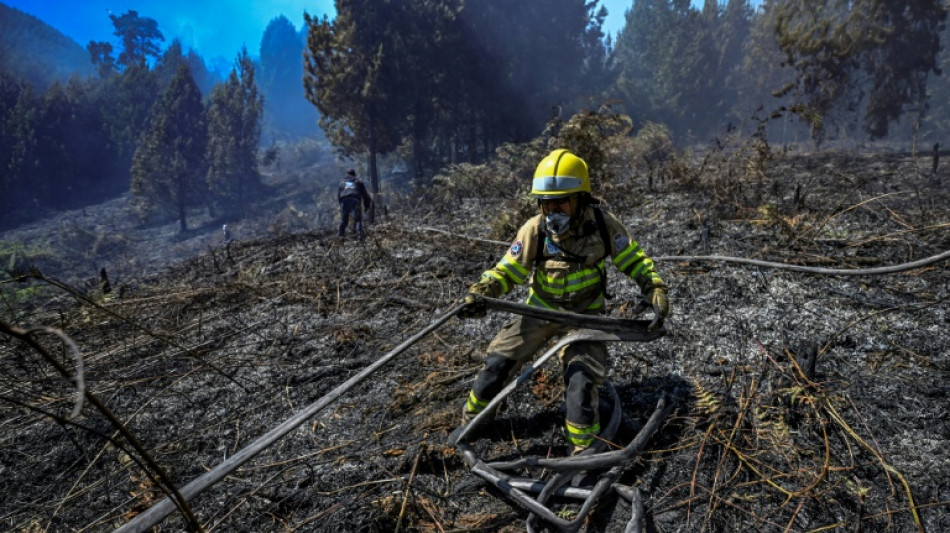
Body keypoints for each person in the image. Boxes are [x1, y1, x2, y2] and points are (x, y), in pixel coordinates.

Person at [457, 149, 670, 454]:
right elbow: (509, 269)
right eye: (546, 203)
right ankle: (474, 422)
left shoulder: (603, 225)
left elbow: (633, 259)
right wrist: (484, 290)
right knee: (497, 364)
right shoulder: (534, 230)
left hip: (586, 317)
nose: (552, 211)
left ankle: (584, 451)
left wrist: (653, 288)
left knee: (580, 381)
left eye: (561, 202)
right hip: (540, 309)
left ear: (580, 199)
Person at [338, 169, 372, 240]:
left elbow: (339, 197)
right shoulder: (358, 182)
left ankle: (340, 236)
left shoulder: (342, 183)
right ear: (354, 175)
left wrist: (341, 207)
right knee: (358, 219)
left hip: (344, 201)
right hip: (355, 200)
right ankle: (359, 236)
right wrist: (366, 206)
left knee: (343, 220)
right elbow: (365, 195)